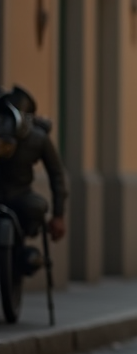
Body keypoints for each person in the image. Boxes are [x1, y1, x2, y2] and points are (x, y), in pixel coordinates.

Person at [0, 87, 65, 275]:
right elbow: (57, 175)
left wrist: (58, 215)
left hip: (20, 196)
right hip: (19, 195)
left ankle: (21, 245)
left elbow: (57, 174)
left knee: (35, 208)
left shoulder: (38, 138)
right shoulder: (38, 136)